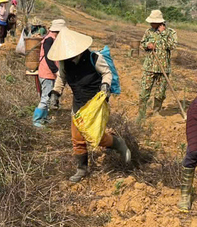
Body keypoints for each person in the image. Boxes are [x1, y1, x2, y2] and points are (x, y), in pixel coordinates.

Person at [48, 28, 131, 182]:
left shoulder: (94, 58)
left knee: (95, 138)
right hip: (78, 104)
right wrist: (55, 93)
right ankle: (82, 169)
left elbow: (107, 73)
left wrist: (105, 85)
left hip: (95, 104)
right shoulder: (65, 63)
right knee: (77, 138)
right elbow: (61, 78)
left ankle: (117, 142)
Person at [138, 10, 178, 122]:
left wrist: (163, 33)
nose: (151, 24)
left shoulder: (171, 33)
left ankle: (156, 112)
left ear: (160, 22)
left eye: (153, 22)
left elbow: (172, 46)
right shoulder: (148, 32)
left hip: (163, 68)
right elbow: (142, 43)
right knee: (144, 91)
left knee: (160, 93)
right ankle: (141, 114)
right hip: (149, 67)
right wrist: (147, 45)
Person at [32, 19, 66, 128]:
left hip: (49, 72)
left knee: (48, 95)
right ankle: (36, 120)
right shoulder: (49, 40)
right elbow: (48, 58)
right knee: (46, 97)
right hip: (47, 72)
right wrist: (55, 71)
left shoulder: (52, 38)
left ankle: (44, 118)